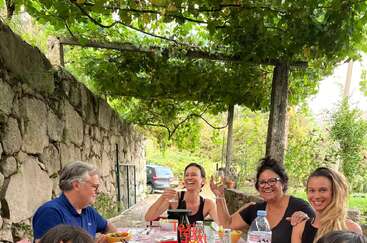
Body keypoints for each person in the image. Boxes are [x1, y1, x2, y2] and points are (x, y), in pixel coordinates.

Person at [210, 157, 315, 243]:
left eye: (272, 181)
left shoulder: (300, 208)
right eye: (262, 182)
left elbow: (319, 232)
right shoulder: (255, 209)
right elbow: (227, 224)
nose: (267, 186)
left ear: (283, 183)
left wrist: (306, 221)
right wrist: (220, 196)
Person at [32, 161, 117, 242]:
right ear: (76, 185)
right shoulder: (51, 213)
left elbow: (109, 228)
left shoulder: (88, 210)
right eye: (95, 186)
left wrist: (109, 238)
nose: (98, 191)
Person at [291, 167, 362, 243]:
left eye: (323, 190)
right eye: (312, 190)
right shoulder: (300, 228)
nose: (316, 196)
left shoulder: (351, 229)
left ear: (336, 192)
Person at [144, 162, 218, 224]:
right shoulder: (174, 198)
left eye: (193, 175)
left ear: (203, 180)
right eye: (186, 175)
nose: (189, 177)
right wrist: (162, 197)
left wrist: (219, 196)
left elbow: (223, 225)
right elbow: (148, 217)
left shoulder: (208, 204)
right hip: (172, 240)